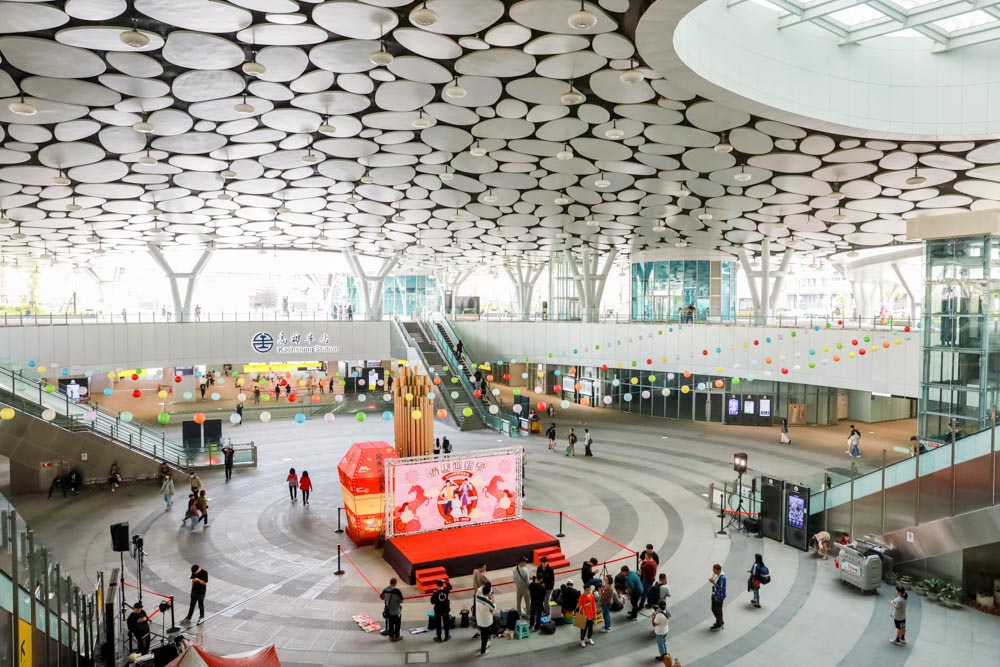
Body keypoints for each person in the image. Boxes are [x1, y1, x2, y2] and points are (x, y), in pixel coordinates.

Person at [474, 582, 495, 656]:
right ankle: (483, 651)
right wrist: (492, 599)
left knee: (483, 634)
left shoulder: (477, 597)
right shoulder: (488, 601)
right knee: (485, 635)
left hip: (479, 620)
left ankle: (485, 643)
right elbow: (494, 608)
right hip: (486, 621)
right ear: (488, 593)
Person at [380, 578, 404, 642]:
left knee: (390, 623)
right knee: (397, 624)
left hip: (389, 611)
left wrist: (387, 598)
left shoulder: (385, 590)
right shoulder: (397, 591)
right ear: (395, 583)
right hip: (396, 610)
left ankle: (391, 637)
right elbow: (401, 601)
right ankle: (397, 636)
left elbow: (381, 597)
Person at [576, 583, 597, 647]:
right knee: (583, 629)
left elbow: (594, 605)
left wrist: (595, 613)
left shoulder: (591, 596)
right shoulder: (581, 597)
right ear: (584, 590)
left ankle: (589, 638)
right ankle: (582, 640)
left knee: (590, 628)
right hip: (584, 615)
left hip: (590, 615)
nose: (589, 591)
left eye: (590, 590)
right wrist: (585, 605)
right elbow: (579, 606)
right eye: (587, 590)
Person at [709, 564, 726, 631]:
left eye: (714, 570)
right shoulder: (717, 575)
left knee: (717, 610)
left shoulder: (722, 577)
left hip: (719, 596)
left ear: (718, 570)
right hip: (715, 594)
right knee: (715, 609)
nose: (713, 571)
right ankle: (720, 621)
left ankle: (719, 624)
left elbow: (721, 588)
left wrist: (714, 582)